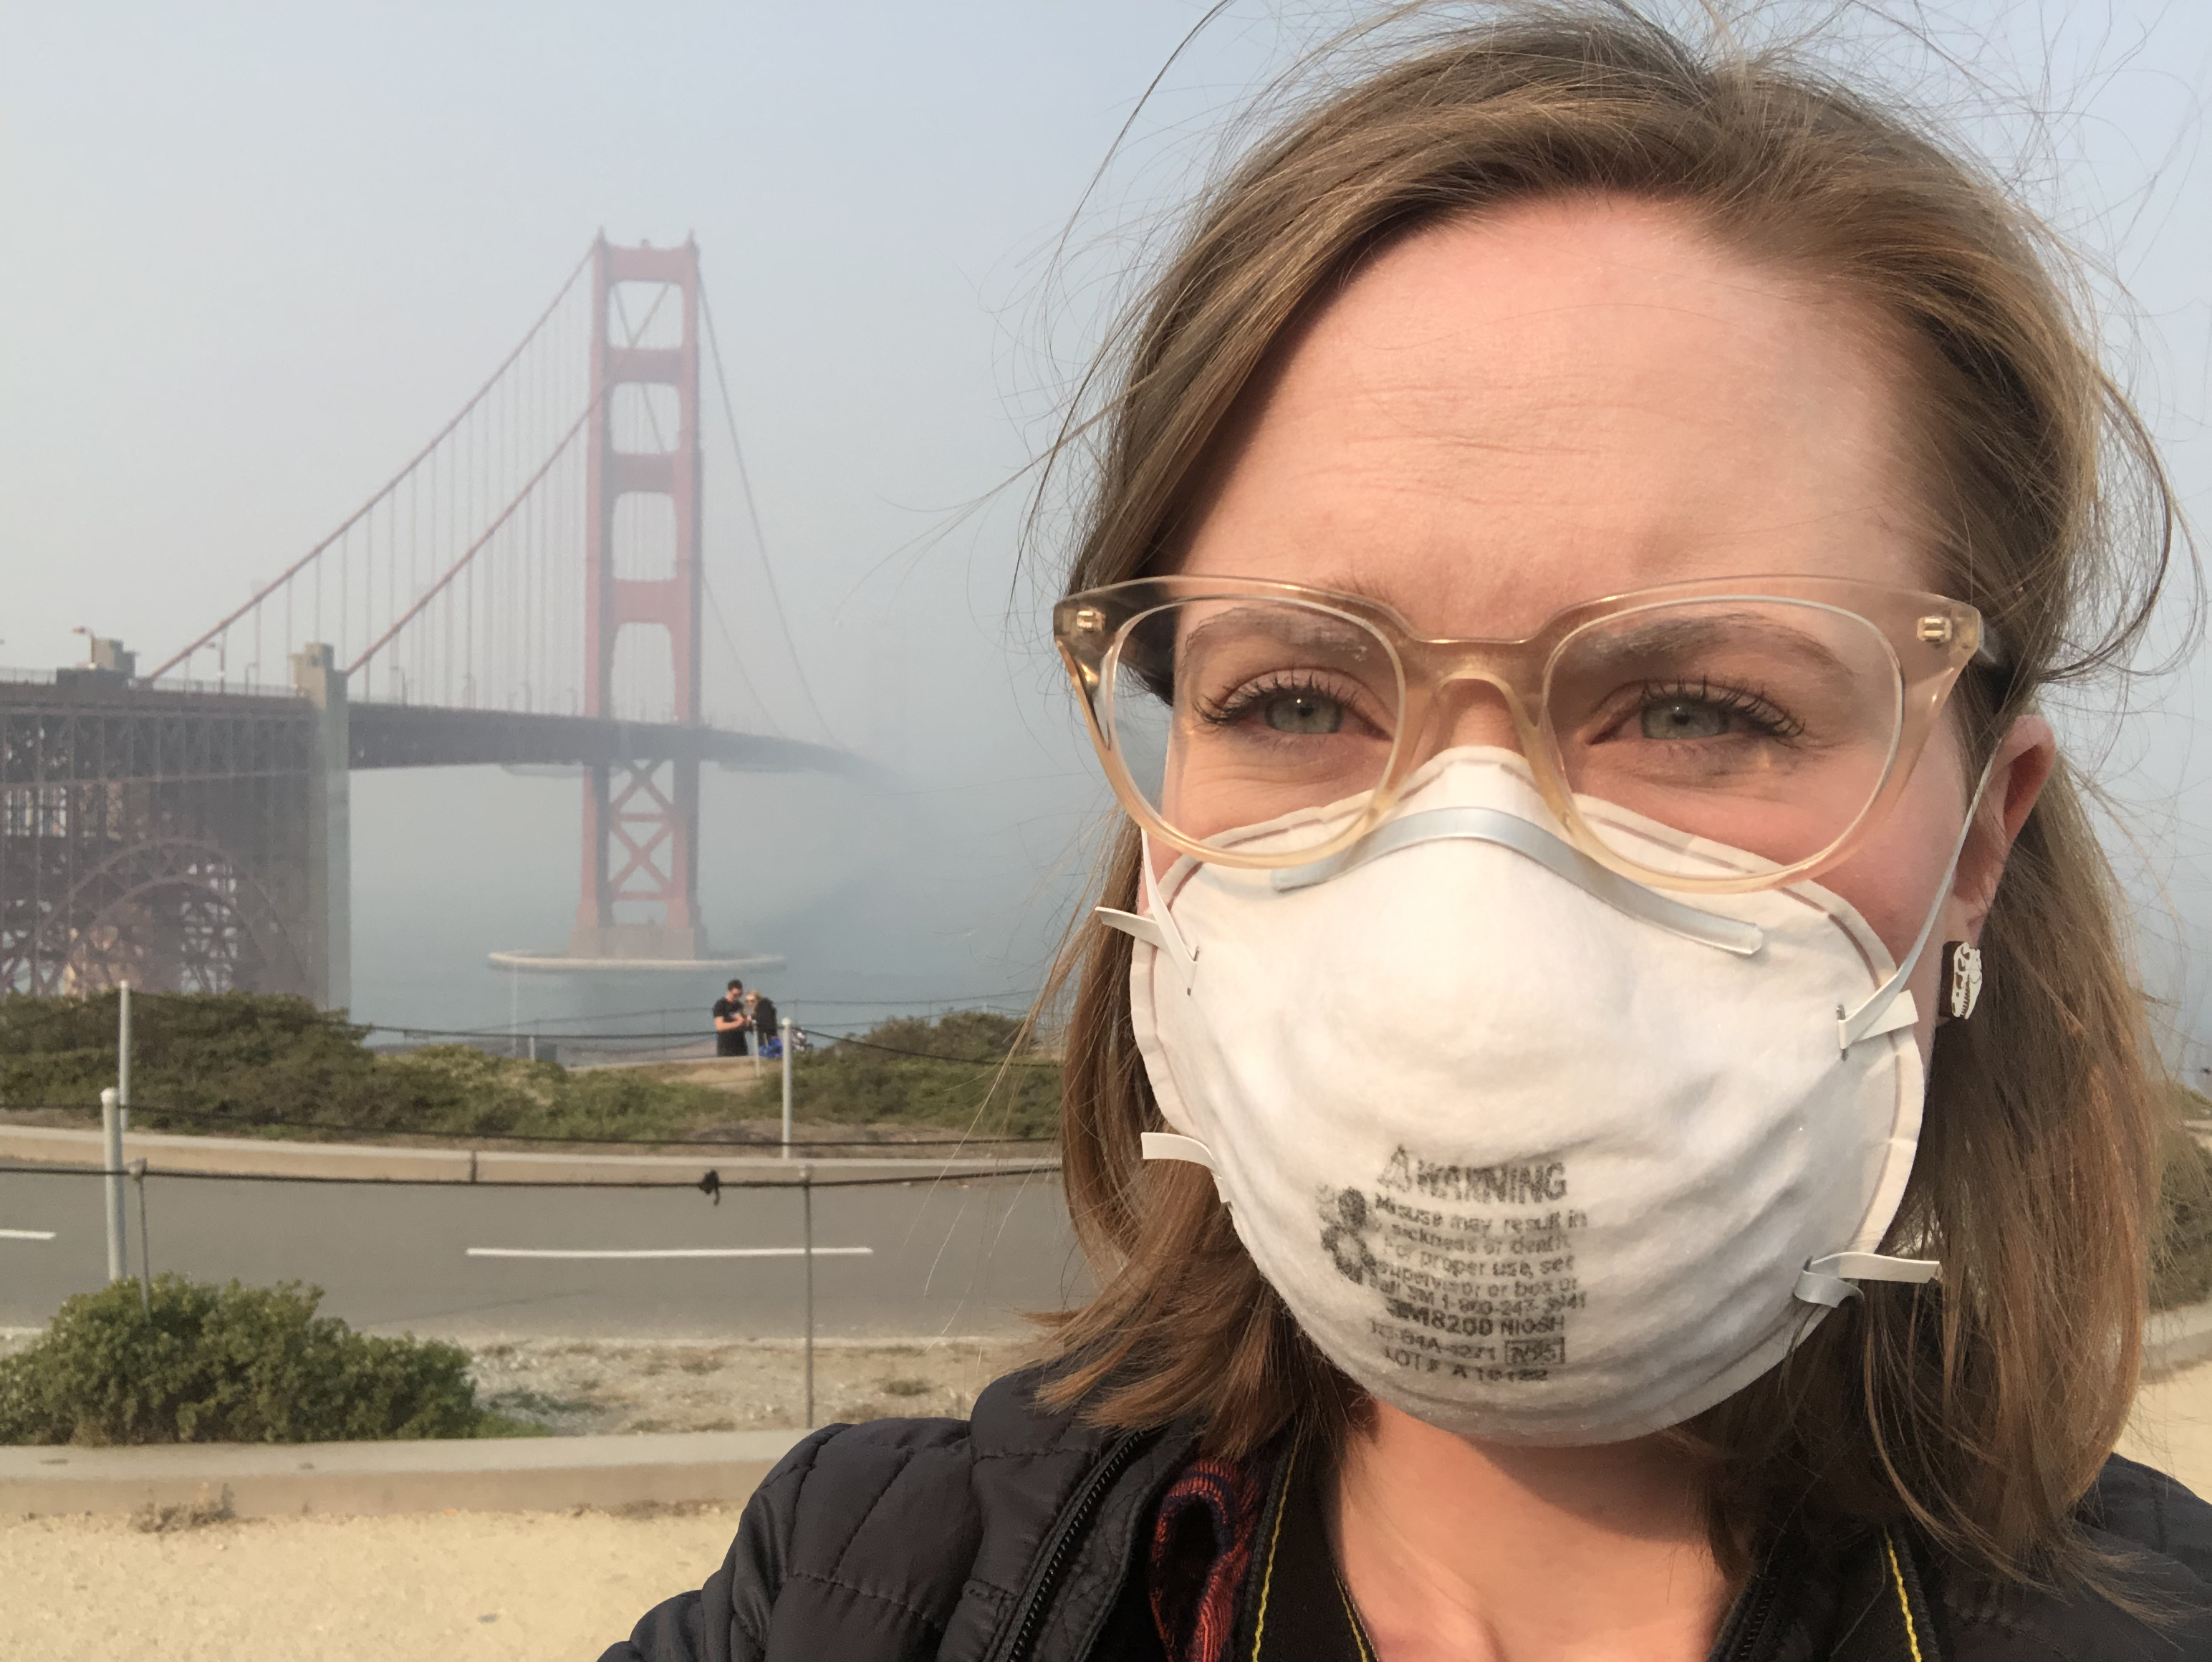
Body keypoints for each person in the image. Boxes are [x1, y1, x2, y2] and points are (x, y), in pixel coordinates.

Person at [602, 9, 2210, 1659]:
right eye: (1297, 700)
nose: (1475, 962)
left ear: (1978, 844)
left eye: (1697, 710)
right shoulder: (858, 1588)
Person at [710, 979, 749, 1059]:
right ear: (729, 991)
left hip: (741, 1045)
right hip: (726, 1047)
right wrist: (739, 1023)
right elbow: (720, 1026)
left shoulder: (740, 1005)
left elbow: (745, 1026)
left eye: (740, 995)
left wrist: (747, 1022)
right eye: (735, 995)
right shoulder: (721, 1005)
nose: (737, 997)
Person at [747, 988, 781, 1060]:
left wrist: (752, 1019)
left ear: (758, 1000)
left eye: (752, 1001)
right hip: (764, 1041)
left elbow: (764, 1023)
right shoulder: (757, 1013)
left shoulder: (764, 1007)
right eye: (747, 1001)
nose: (750, 1004)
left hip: (768, 1041)